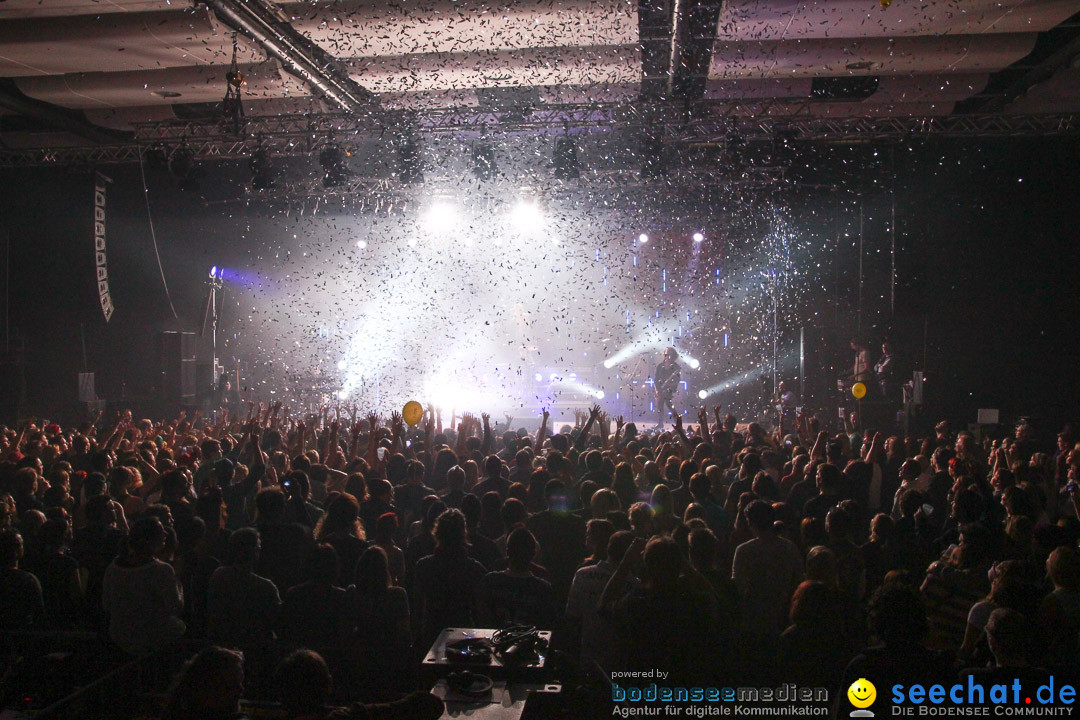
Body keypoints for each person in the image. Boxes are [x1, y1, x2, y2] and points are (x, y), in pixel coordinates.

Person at [102, 516, 186, 654]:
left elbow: (106, 604)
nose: (166, 533)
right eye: (161, 531)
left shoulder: (113, 567)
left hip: (119, 634)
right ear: (150, 539)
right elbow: (176, 606)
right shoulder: (161, 570)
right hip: (152, 637)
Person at [206, 527, 281, 650]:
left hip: (221, 642)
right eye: (258, 547)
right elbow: (277, 621)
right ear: (255, 552)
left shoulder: (218, 575)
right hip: (255, 647)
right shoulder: (266, 587)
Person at [479, 526, 557, 627]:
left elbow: (481, 618)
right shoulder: (543, 589)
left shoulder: (490, 581)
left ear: (507, 552)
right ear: (534, 554)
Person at [653, 347, 681, 426]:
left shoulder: (676, 367)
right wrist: (656, 390)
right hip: (660, 389)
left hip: (669, 389)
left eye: (669, 354)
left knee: (670, 406)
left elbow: (677, 380)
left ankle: (677, 423)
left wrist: (669, 385)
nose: (667, 355)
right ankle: (660, 423)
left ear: (673, 355)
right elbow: (656, 379)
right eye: (666, 353)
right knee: (660, 406)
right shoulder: (660, 366)